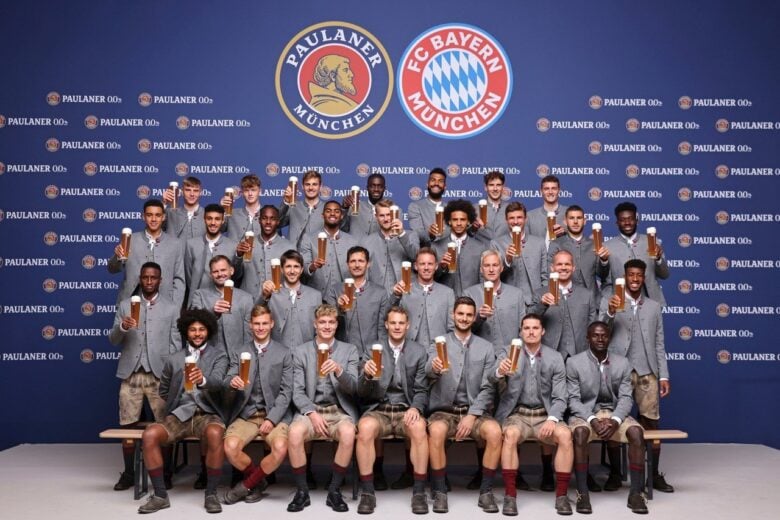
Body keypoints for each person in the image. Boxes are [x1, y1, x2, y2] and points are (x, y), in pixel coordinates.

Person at [137, 309, 228, 514]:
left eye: (201, 329)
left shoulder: (219, 356)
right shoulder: (174, 359)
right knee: (149, 434)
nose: (197, 333)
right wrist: (176, 400)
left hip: (207, 413)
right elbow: (163, 390)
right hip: (180, 414)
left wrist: (202, 380)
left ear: (208, 331)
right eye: (192, 329)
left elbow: (219, 382)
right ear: (186, 332)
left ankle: (211, 494)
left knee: (215, 433)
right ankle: (160, 495)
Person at [600, 258, 673, 493]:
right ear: (624, 276)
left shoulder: (653, 306)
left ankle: (653, 473)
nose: (634, 279)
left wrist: (664, 375)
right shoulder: (609, 301)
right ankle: (614, 473)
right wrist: (610, 312)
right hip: (618, 370)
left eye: (638, 275)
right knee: (613, 419)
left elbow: (659, 343)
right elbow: (600, 333)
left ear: (643, 278)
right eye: (630, 275)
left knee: (651, 422)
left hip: (647, 372)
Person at [108, 262, 180, 492]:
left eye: (153, 278)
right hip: (131, 373)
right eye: (145, 277)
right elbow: (113, 339)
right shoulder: (125, 305)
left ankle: (166, 472)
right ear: (140, 279)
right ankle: (129, 473)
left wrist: (172, 374)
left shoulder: (171, 308)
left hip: (159, 375)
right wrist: (122, 326)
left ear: (160, 280)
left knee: (165, 425)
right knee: (127, 426)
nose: (149, 281)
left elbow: (176, 345)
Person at [426, 296, 502, 513]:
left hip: (474, 411)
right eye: (460, 314)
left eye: (469, 315)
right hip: (444, 410)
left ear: (474, 317)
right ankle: (440, 490)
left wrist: (472, 415)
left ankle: (486, 492)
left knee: (495, 432)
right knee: (437, 431)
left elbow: (489, 387)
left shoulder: (486, 347)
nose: (464, 318)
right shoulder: (439, 342)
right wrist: (434, 367)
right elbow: (427, 371)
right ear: (453, 315)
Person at [492, 313, 573, 516]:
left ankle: (561, 496)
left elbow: (561, 397)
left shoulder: (555, 357)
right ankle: (510, 496)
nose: (530, 332)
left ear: (542, 331)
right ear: (520, 331)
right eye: (526, 328)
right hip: (517, 414)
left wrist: (553, 419)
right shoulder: (509, 353)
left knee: (565, 435)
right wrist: (499, 372)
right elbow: (490, 378)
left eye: (535, 328)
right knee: (509, 436)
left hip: (544, 414)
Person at [567, 321, 648, 514]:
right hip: (586, 413)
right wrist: (593, 420)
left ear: (609, 338)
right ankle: (582, 493)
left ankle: (636, 493)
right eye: (595, 335)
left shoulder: (623, 362)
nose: (600, 339)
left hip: (614, 413)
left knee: (637, 433)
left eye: (604, 335)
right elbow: (573, 400)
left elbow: (626, 397)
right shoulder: (574, 362)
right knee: (579, 434)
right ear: (588, 338)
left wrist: (615, 420)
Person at [355, 306, 430, 514]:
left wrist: (415, 407)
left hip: (406, 408)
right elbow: (361, 391)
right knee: (365, 429)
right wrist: (367, 376)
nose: (397, 327)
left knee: (419, 429)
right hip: (379, 408)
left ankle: (419, 492)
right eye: (393, 323)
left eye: (401, 323)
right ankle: (368, 493)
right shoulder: (373, 349)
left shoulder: (418, 351)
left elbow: (422, 389)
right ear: (386, 325)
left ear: (408, 326)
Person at [287, 304, 360, 512]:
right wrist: (311, 412)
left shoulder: (349, 350)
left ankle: (334, 491)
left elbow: (354, 387)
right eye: (322, 322)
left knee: (348, 433)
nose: (327, 326)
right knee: (293, 433)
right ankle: (302, 492)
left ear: (337, 325)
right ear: (315, 325)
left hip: (339, 410)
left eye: (331, 322)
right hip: (311, 408)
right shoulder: (301, 352)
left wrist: (339, 370)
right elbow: (297, 392)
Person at [222, 304, 293, 505]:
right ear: (250, 326)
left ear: (271, 324)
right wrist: (232, 382)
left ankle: (245, 486)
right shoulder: (240, 352)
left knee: (280, 447)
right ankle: (257, 481)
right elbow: (228, 378)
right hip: (247, 413)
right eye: (256, 324)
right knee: (230, 447)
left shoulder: (284, 353)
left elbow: (286, 392)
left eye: (264, 323)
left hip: (274, 414)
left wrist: (272, 419)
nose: (260, 327)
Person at [108, 199, 185, 306]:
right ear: (143, 216)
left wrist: (175, 306)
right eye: (149, 215)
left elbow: (179, 279)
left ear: (163, 217)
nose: (153, 219)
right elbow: (112, 269)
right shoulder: (130, 240)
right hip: (132, 302)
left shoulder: (175, 244)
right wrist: (117, 256)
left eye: (158, 215)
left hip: (164, 305)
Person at [529, 250, 599, 361]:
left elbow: (592, 326)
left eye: (567, 264)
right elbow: (529, 321)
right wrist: (542, 304)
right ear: (552, 268)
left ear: (573, 268)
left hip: (580, 355)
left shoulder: (587, 294)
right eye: (559, 264)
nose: (563, 267)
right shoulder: (539, 293)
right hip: (548, 356)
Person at [326, 246, 390, 359]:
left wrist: (380, 354)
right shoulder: (334, 290)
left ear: (368, 264)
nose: (357, 265)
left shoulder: (380, 292)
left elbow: (382, 328)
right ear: (347, 264)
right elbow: (328, 325)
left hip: (370, 355)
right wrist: (339, 308)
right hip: (342, 355)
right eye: (353, 261)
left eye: (361, 261)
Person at [600, 201, 669, 305]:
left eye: (630, 219)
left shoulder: (652, 242)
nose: (627, 223)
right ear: (617, 223)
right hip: (621, 304)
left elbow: (664, 275)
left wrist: (659, 259)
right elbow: (604, 279)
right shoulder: (607, 246)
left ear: (637, 220)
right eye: (622, 220)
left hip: (651, 303)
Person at [390, 247, 454, 351]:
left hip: (438, 352)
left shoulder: (448, 293)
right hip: (408, 351)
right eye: (422, 264)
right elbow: (389, 318)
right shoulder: (404, 291)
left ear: (436, 266)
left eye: (430, 264)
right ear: (416, 266)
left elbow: (452, 328)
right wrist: (395, 296)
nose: (426, 267)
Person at [190, 255, 253, 358]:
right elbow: (194, 324)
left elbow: (248, 333)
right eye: (215, 271)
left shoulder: (246, 298)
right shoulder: (199, 295)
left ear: (231, 270)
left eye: (223, 270)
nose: (220, 274)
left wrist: (245, 356)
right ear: (211, 274)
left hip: (236, 358)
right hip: (209, 358)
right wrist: (213, 313)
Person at [465, 249, 526, 354]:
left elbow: (523, 328)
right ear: (481, 269)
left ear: (502, 268)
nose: (491, 269)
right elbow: (463, 329)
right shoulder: (469, 294)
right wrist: (479, 317)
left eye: (495, 265)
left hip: (509, 355)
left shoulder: (517, 294)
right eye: (487, 265)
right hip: (479, 354)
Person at [260, 250, 323, 347]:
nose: (292, 271)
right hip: (278, 353)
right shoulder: (271, 293)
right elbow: (256, 316)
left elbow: (320, 328)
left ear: (302, 269)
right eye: (288, 266)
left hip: (305, 354)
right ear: (281, 269)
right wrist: (264, 296)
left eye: (296, 266)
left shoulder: (316, 295)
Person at [490, 202, 547, 309]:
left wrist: (542, 300)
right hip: (508, 303)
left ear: (525, 219)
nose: (515, 221)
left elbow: (544, 275)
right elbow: (492, 275)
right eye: (511, 218)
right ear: (506, 220)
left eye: (519, 217)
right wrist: (507, 260)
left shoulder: (539, 243)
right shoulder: (496, 244)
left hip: (534, 302)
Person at [183, 204, 242, 305]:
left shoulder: (233, 245)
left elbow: (237, 275)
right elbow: (189, 277)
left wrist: (239, 256)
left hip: (225, 301)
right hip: (199, 301)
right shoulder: (191, 244)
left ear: (223, 221)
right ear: (204, 219)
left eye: (217, 219)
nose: (213, 223)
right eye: (209, 219)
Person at [299, 200, 358, 296]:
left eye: (336, 211)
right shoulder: (308, 238)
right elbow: (304, 266)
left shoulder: (352, 241)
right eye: (328, 211)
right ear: (322, 215)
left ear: (342, 215)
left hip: (343, 295)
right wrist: (313, 266)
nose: (332, 214)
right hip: (317, 294)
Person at [546, 205, 609, 295]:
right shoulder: (556, 244)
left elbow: (602, 275)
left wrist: (604, 260)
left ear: (585, 221)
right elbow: (550, 273)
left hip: (592, 300)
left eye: (579, 218)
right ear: (565, 221)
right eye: (571, 218)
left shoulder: (594, 244)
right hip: (564, 298)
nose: (575, 222)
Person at [237, 204, 294, 302]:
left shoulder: (289, 247)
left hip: (278, 302)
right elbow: (236, 275)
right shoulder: (246, 243)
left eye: (272, 219)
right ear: (259, 220)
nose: (268, 222)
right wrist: (238, 256)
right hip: (249, 301)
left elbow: (293, 278)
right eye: (264, 218)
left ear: (278, 222)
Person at [432, 199, 487, 296]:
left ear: (469, 221)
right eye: (455, 219)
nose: (458, 223)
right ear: (449, 221)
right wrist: (442, 267)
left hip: (472, 301)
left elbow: (483, 278)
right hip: (444, 301)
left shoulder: (480, 247)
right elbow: (430, 278)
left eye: (462, 219)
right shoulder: (436, 247)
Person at [362, 198, 420, 292]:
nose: (386, 219)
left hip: (407, 293)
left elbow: (416, 258)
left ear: (394, 214)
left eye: (389, 215)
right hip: (380, 296)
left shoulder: (410, 235)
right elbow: (364, 273)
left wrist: (401, 234)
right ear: (376, 217)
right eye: (382, 215)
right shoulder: (367, 242)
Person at [279, 169, 327, 249]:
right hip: (294, 257)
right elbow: (278, 223)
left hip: (318, 257)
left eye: (314, 184)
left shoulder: (327, 209)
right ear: (302, 186)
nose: (311, 188)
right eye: (307, 184)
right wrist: (286, 202)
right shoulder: (292, 206)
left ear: (320, 186)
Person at [407, 167, 448, 245]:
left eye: (440, 181)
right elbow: (417, 234)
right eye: (433, 180)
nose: (436, 183)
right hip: (425, 253)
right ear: (427, 184)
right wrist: (429, 233)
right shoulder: (415, 206)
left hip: (446, 254)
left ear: (445, 186)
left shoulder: (451, 209)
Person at [525, 174, 568, 245]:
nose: (550, 192)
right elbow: (526, 244)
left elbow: (577, 241)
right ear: (541, 191)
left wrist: (566, 235)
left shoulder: (569, 213)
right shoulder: (530, 216)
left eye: (554, 188)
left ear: (559, 191)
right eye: (546, 189)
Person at [222, 174, 263, 241]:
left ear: (260, 191)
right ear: (242, 193)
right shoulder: (232, 214)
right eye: (246, 190)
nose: (250, 193)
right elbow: (219, 229)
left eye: (253, 190)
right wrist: (222, 209)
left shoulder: (268, 214)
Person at [472, 170, 509, 240]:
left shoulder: (510, 209)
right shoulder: (474, 209)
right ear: (486, 187)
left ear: (503, 187)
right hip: (482, 250)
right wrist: (473, 228)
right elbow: (467, 234)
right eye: (491, 185)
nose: (495, 189)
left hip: (504, 250)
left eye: (498, 185)